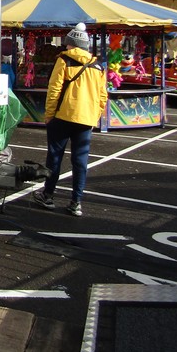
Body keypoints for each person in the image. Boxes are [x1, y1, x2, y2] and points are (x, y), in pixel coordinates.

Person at [33, 23, 107, 217]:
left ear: (71, 44)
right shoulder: (98, 66)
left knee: (55, 157)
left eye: (67, 44)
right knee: (80, 161)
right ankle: (76, 202)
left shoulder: (64, 60)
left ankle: (48, 195)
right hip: (86, 119)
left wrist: (49, 114)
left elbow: (54, 89)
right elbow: (102, 96)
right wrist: (95, 115)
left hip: (62, 116)